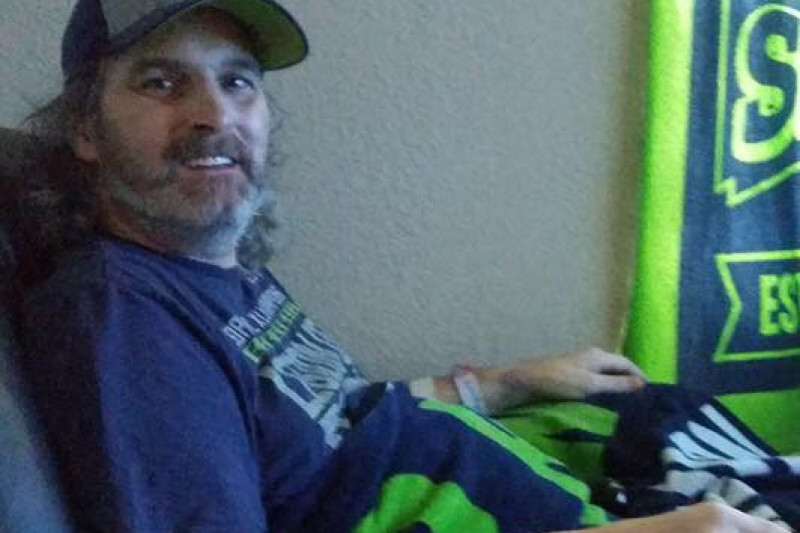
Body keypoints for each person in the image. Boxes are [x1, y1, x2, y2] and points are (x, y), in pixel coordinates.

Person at [12, 0, 790, 532]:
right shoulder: (124, 313)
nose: (214, 113)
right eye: (162, 82)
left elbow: (334, 417)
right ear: (85, 129)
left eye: (237, 79)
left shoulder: (212, 269)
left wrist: (509, 380)